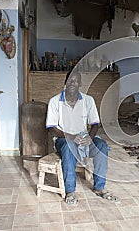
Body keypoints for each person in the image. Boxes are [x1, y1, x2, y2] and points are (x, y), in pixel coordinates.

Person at [46, 71, 119, 205]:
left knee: (101, 145)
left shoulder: (88, 100)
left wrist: (90, 138)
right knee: (69, 146)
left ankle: (99, 187)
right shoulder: (54, 101)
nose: (72, 84)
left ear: (80, 84)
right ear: (65, 83)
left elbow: (95, 124)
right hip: (64, 138)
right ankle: (70, 191)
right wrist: (71, 136)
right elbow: (51, 128)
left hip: (84, 137)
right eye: (70, 81)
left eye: (76, 81)